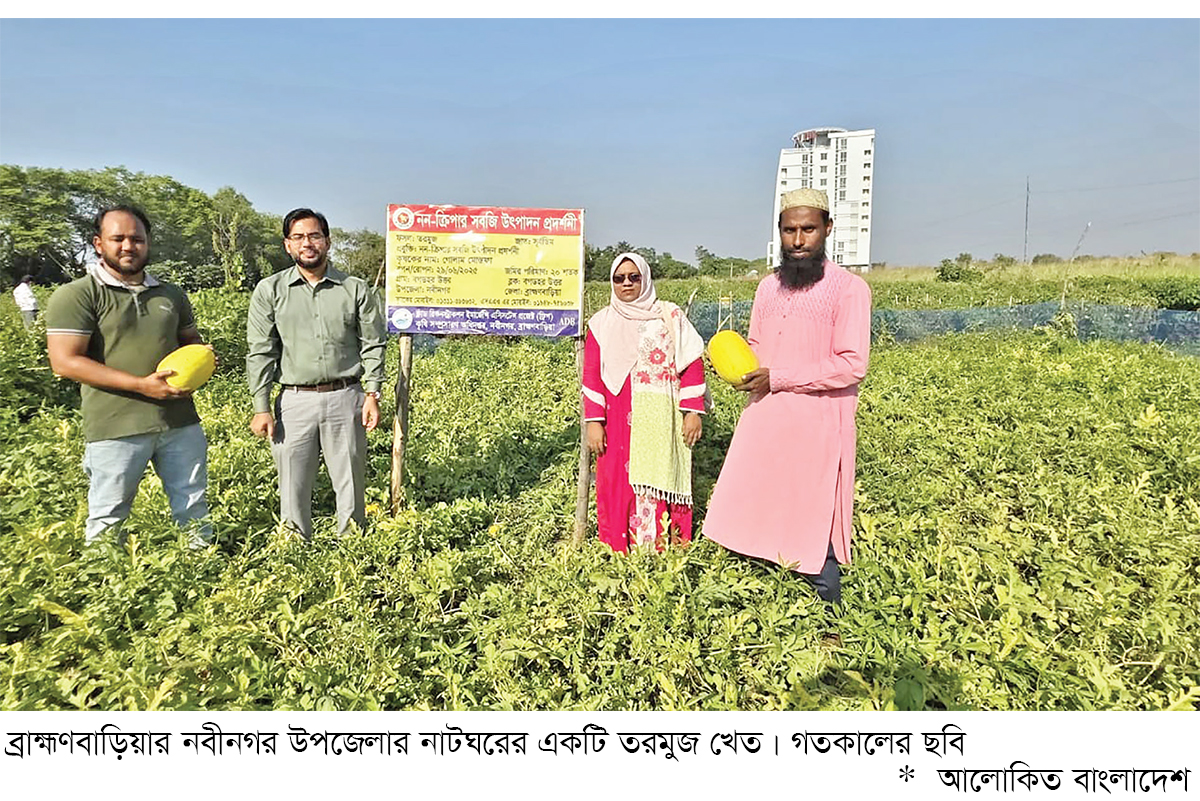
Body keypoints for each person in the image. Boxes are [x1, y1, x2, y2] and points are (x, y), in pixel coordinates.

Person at [702, 188, 871, 606]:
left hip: (817, 422)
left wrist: (779, 376)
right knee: (754, 497)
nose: (798, 240)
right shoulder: (767, 288)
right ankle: (752, 594)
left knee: (812, 511)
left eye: (808, 229)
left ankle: (829, 611)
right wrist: (734, 367)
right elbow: (757, 345)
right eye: (789, 230)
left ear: (827, 229)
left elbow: (852, 365)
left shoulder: (849, 289)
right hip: (766, 414)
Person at [44, 205, 214, 547]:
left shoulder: (171, 294)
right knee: (109, 514)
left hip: (179, 422)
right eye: (117, 238)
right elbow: (64, 362)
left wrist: (205, 359)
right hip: (115, 425)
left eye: (136, 239)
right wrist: (141, 386)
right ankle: (107, 588)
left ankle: (202, 573)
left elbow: (191, 344)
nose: (128, 246)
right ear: (98, 243)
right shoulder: (78, 294)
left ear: (148, 243)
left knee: (193, 505)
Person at [246, 208, 387, 539]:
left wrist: (372, 393)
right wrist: (261, 406)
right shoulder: (270, 290)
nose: (307, 243)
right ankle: (296, 550)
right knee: (292, 481)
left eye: (314, 236)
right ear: (287, 245)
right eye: (298, 237)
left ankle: (353, 548)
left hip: (346, 396)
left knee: (350, 481)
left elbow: (373, 344)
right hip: (294, 401)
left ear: (328, 241)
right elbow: (261, 351)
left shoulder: (354, 289)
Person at [582, 252, 707, 552]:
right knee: (617, 481)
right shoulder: (600, 324)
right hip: (617, 418)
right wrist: (594, 422)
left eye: (633, 277)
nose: (626, 284)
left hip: (661, 419)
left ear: (645, 279)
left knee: (662, 471)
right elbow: (591, 375)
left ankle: (666, 546)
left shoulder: (669, 317)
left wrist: (692, 412)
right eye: (619, 278)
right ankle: (620, 547)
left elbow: (692, 363)